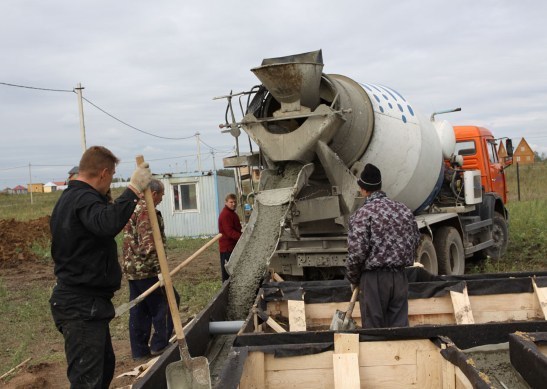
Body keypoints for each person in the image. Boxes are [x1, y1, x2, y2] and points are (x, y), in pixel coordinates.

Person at [49, 146, 152, 389]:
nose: (110, 183)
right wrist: (133, 189)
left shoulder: (71, 198)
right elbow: (107, 223)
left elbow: (101, 219)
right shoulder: (82, 199)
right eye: (112, 176)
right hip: (80, 306)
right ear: (104, 173)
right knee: (88, 381)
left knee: (103, 369)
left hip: (87, 304)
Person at [346, 163, 420, 329]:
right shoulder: (404, 210)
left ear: (364, 190)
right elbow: (416, 239)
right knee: (399, 330)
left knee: (374, 331)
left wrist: (353, 278)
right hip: (400, 278)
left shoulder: (363, 214)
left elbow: (357, 253)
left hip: (374, 280)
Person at [122, 179, 180, 361]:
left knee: (140, 309)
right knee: (168, 302)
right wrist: (160, 270)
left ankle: (139, 351)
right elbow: (148, 244)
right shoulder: (146, 211)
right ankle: (159, 344)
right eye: (161, 195)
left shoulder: (134, 208)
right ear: (153, 194)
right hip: (146, 269)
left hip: (133, 269)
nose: (162, 199)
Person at [218, 193, 242, 282]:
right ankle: (226, 290)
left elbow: (236, 229)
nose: (233, 204)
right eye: (231, 202)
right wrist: (242, 238)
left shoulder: (232, 214)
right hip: (227, 248)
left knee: (234, 269)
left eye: (235, 202)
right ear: (226, 203)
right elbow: (229, 232)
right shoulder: (225, 215)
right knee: (227, 272)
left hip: (233, 246)